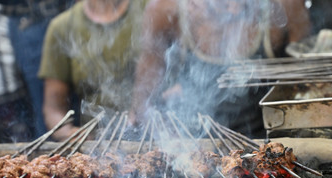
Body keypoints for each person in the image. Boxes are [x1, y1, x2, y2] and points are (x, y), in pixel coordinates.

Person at [129, 0, 311, 138]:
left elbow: (308, 88)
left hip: (267, 141)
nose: (232, 8)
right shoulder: (166, 9)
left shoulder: (284, 6)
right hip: (193, 145)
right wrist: (169, 139)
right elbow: (143, 102)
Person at [38, 0, 148, 141]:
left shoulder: (152, 9)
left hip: (153, 133)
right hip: (96, 144)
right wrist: (69, 134)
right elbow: (53, 109)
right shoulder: (62, 27)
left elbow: (181, 80)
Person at [0, 0, 75, 139]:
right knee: (47, 113)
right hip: (33, 18)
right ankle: (51, 158)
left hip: (68, 13)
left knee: (79, 105)